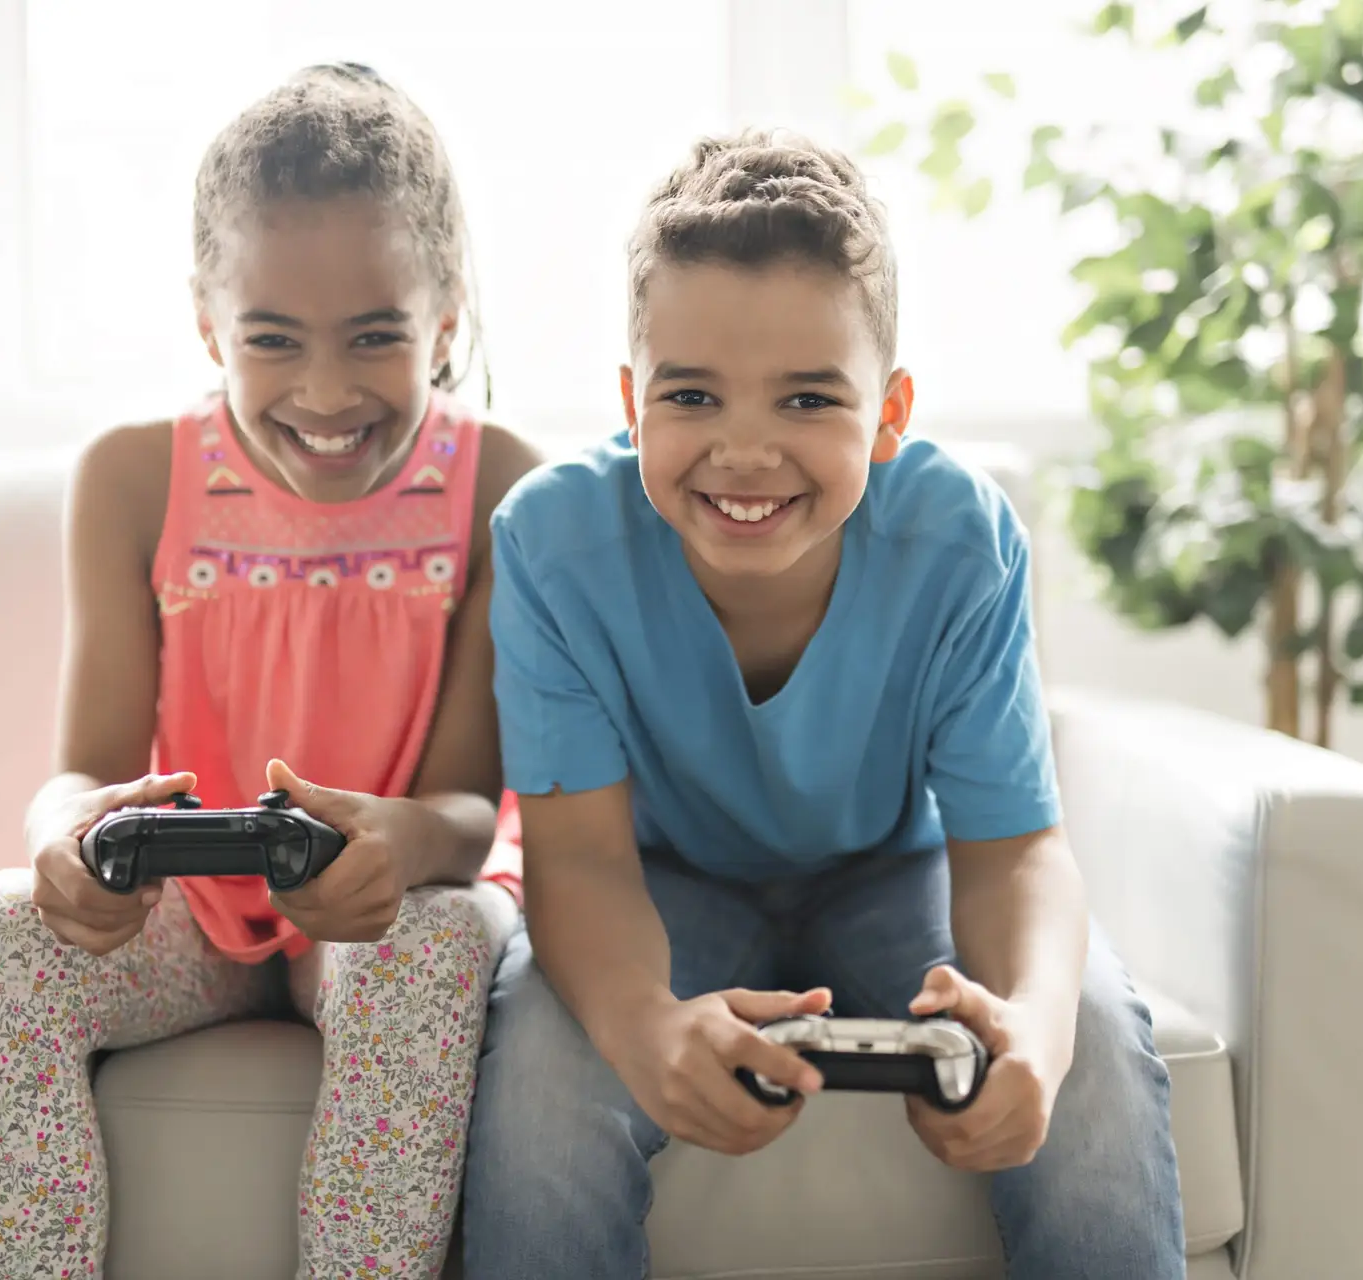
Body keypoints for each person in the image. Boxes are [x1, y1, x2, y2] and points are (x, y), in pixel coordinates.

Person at [461, 130, 1186, 1279]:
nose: (745, 450)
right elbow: (579, 859)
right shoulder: (552, 543)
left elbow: (1014, 852)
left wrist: (1035, 1040)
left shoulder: (960, 539)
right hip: (660, 885)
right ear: (629, 402)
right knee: (548, 1079)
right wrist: (648, 1027)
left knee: (1088, 1033)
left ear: (890, 411)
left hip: (898, 878)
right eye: (692, 395)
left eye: (808, 398)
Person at [0, 63, 539, 1280]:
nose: (324, 390)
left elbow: (469, 810)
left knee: (428, 950)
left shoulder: (503, 483)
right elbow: (81, 770)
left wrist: (391, 849)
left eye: (376, 336)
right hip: (189, 911)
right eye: (271, 339)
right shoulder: (134, 476)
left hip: (384, 907)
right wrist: (68, 836)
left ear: (446, 317)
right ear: (208, 323)